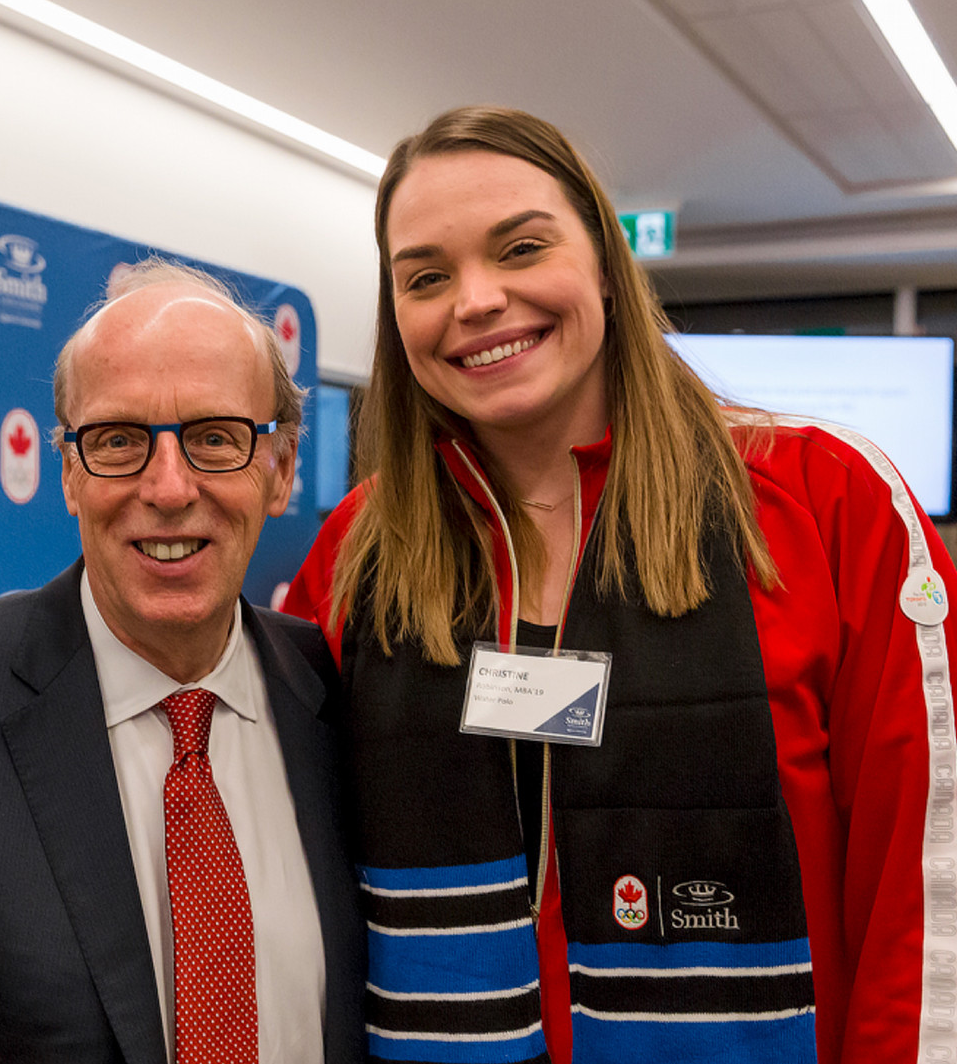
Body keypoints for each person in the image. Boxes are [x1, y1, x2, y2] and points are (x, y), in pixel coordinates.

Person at [281, 105, 957, 1064]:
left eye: (520, 247)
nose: (475, 300)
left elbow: (926, 893)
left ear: (602, 259)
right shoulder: (358, 552)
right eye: (426, 276)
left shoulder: (828, 502)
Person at [0, 260, 364, 1063]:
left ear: (281, 468)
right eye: (118, 440)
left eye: (214, 438)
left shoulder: (343, 700)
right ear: (67, 472)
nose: (168, 488)